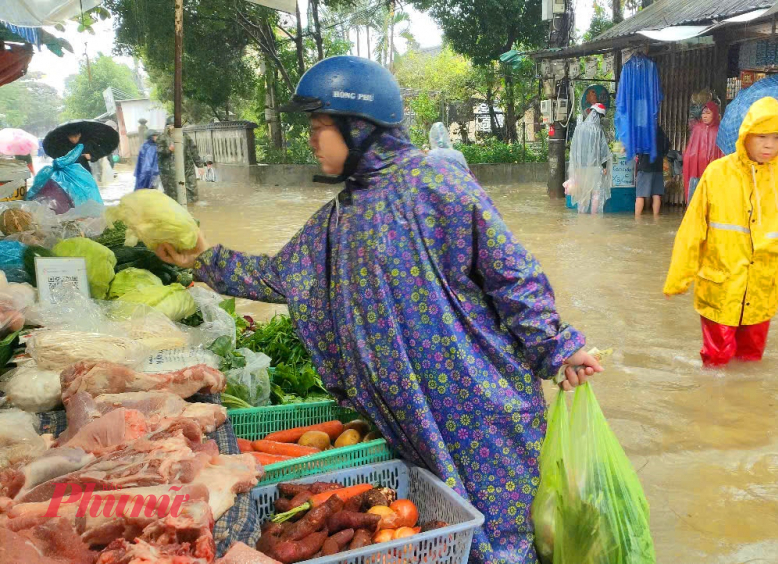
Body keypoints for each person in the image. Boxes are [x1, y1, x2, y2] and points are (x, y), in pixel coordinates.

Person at [154, 56, 602, 564]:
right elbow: (278, 276)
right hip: (408, 415)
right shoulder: (338, 218)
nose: (311, 140)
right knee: (446, 534)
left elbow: (510, 272)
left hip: (480, 406)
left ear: (359, 125)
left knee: (508, 540)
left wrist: (559, 347)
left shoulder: (436, 183)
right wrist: (203, 260)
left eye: (320, 127)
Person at [663, 97, 778, 367]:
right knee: (716, 360)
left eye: (777, 137)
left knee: (751, 359)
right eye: (761, 136)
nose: (770, 144)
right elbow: (692, 229)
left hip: (762, 289)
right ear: (746, 135)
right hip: (720, 286)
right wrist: (679, 277)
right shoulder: (717, 174)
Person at [565, 103, 612, 214]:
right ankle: (594, 217)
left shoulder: (579, 128)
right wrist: (604, 167)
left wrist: (575, 166)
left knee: (583, 192)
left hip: (580, 167)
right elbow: (603, 150)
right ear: (599, 116)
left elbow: (574, 148)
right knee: (595, 193)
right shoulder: (598, 130)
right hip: (595, 168)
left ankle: (581, 216)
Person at [681, 101, 724, 204]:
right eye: (703, 113)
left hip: (712, 169)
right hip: (696, 170)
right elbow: (690, 150)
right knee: (695, 196)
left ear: (714, 114)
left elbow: (722, 153)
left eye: (708, 113)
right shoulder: (697, 129)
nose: (705, 116)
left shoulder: (719, 130)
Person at [157, 117, 204, 203]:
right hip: (169, 172)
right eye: (172, 126)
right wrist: (168, 150)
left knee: (192, 192)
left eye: (176, 126)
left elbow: (193, 151)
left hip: (187, 168)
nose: (174, 128)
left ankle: (192, 210)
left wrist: (200, 165)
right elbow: (158, 152)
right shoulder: (162, 138)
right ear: (167, 126)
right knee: (174, 196)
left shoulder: (184, 136)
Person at [634, 123, 670, 218]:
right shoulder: (659, 129)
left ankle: (637, 220)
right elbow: (667, 144)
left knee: (640, 195)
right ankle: (656, 218)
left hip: (645, 166)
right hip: (657, 166)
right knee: (656, 194)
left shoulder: (643, 130)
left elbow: (636, 147)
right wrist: (661, 155)